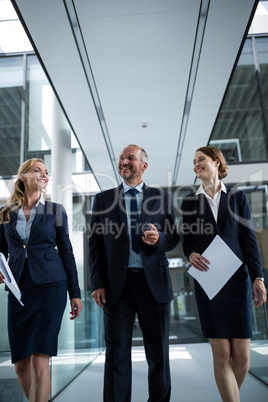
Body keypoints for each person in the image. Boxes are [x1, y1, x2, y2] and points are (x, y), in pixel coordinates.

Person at [89, 144, 180, 402]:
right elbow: (94, 246)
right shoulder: (103, 199)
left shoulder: (161, 198)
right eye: (121, 158)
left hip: (154, 285)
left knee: (159, 355)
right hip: (117, 287)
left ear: (144, 165)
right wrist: (97, 283)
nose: (124, 161)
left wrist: (158, 239)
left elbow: (173, 237)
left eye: (130, 157)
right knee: (116, 354)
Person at [181, 146, 267, 402]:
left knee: (242, 358)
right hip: (209, 282)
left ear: (216, 162)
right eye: (194, 161)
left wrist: (258, 277)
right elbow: (188, 241)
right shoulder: (189, 202)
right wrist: (190, 254)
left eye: (201, 159)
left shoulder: (237, 198)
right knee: (221, 354)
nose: (196, 164)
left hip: (237, 282)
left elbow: (249, 240)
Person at [0, 158, 82, 402]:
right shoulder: (5, 211)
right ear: (23, 177)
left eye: (46, 172)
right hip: (18, 289)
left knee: (39, 359)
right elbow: (2, 250)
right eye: (37, 170)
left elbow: (67, 252)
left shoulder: (56, 210)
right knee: (21, 366)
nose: (44, 175)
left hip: (50, 286)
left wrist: (74, 292)